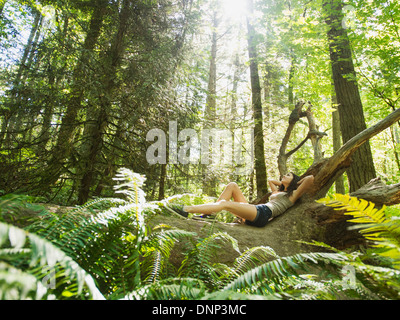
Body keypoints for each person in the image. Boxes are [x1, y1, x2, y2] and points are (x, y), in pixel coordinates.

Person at [166, 173, 314, 228]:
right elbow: (270, 180)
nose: (283, 176)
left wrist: (296, 182)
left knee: (225, 204)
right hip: (256, 211)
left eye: (287, 175)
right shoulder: (279, 192)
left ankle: (186, 210)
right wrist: (285, 182)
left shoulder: (293, 194)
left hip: (263, 214)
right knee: (232, 186)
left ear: (294, 180)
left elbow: (310, 179)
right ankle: (209, 214)